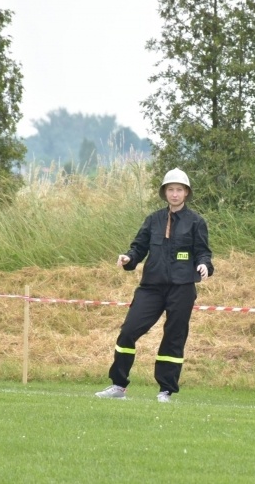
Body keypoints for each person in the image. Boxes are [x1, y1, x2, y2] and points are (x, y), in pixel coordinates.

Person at [95, 168, 214, 403]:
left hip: (182, 287)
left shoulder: (196, 222)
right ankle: (118, 385)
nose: (174, 194)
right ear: (164, 192)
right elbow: (139, 247)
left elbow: (203, 252)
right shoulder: (153, 220)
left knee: (174, 337)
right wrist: (129, 258)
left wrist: (204, 265)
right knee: (128, 331)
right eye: (170, 189)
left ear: (186, 193)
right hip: (151, 287)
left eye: (179, 190)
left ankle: (165, 390)